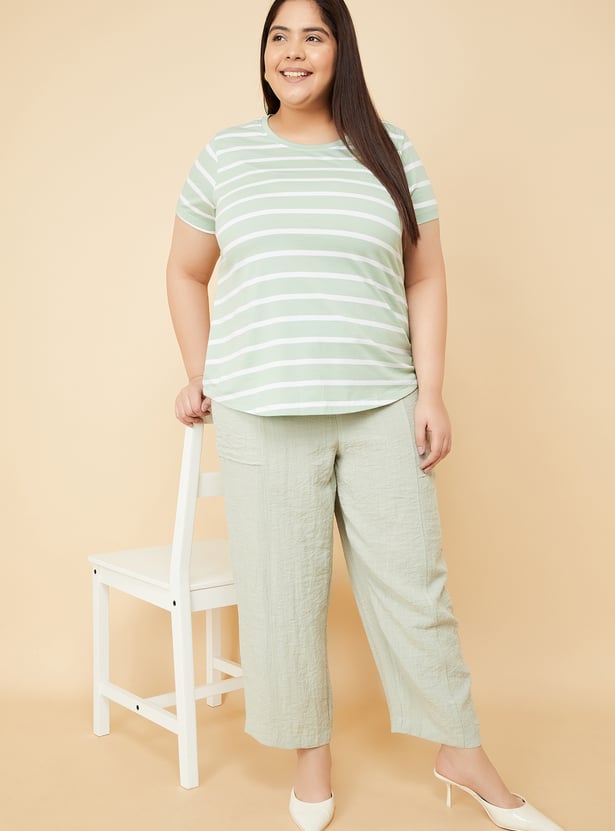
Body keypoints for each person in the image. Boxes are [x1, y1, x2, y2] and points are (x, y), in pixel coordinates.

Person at [166, 2, 564, 830]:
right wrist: (199, 372)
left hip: (382, 400)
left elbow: (426, 275)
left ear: (340, 51)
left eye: (312, 35)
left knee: (415, 588)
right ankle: (311, 759)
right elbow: (184, 270)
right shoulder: (225, 156)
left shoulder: (389, 150)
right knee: (282, 596)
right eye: (278, 36)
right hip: (262, 408)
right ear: (264, 54)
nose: (293, 51)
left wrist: (431, 389)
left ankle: (461, 751)